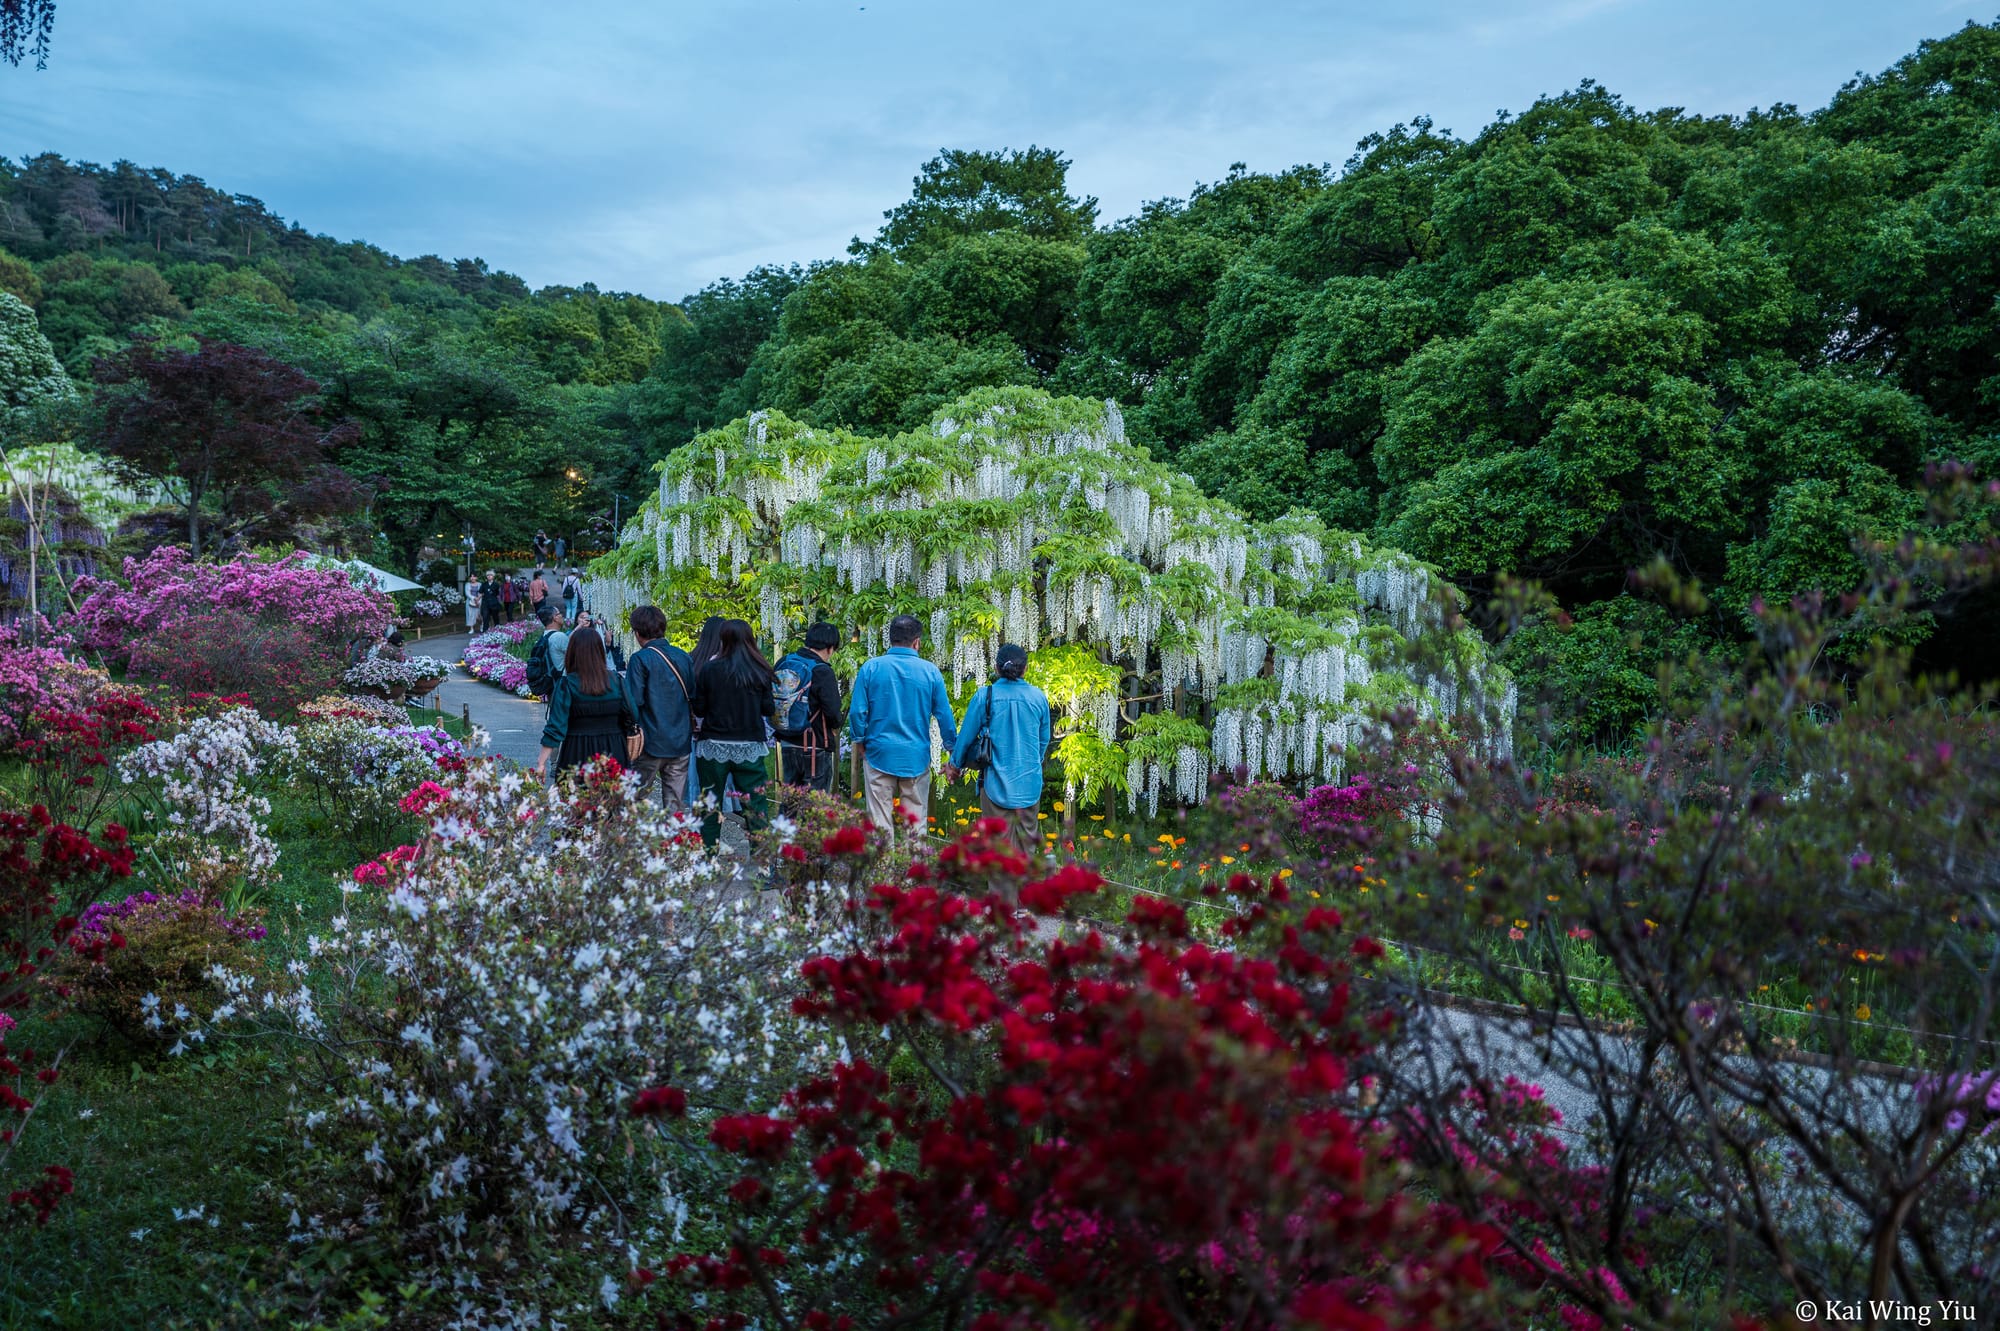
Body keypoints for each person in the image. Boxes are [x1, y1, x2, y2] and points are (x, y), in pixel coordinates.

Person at [848, 614, 957, 842]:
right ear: (916, 642)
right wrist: (952, 750)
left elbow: (858, 712)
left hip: (878, 752)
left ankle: (884, 874)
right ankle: (914, 876)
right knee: (915, 825)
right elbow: (944, 716)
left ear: (890, 639)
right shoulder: (930, 672)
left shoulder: (871, 668)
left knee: (879, 824)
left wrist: (860, 740)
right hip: (915, 756)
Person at [946, 644, 1052, 861]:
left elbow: (965, 738)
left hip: (995, 784)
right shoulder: (1038, 698)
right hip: (1029, 787)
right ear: (1026, 669)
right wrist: (1031, 765)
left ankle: (1003, 895)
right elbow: (1042, 742)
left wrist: (954, 766)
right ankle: (1027, 894)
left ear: (996, 667)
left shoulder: (985, 696)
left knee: (997, 853)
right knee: (1027, 853)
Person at [690, 619, 775, 850]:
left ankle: (708, 857)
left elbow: (699, 708)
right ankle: (763, 865)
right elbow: (769, 709)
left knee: (709, 804)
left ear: (723, 639)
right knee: (755, 805)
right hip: (749, 746)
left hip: (713, 746)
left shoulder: (709, 668)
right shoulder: (759, 669)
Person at [533, 628, 638, 781]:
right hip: (614, 750)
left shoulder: (567, 685)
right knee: (612, 799)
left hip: (577, 750)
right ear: (599, 651)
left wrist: (541, 763)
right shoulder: (617, 681)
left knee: (578, 800)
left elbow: (556, 726)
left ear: (572, 652)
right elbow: (633, 713)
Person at [623, 605, 694, 812]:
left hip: (650, 741)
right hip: (680, 740)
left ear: (637, 632)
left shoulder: (640, 659)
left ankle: (634, 842)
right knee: (675, 805)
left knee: (634, 801)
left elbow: (633, 701)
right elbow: (692, 694)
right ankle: (673, 843)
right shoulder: (683, 656)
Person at [773, 622, 843, 793]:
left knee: (791, 799)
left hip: (788, 740)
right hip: (815, 744)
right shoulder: (822, 670)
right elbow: (833, 710)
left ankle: (786, 821)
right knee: (815, 804)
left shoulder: (785, 661)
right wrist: (835, 726)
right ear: (830, 647)